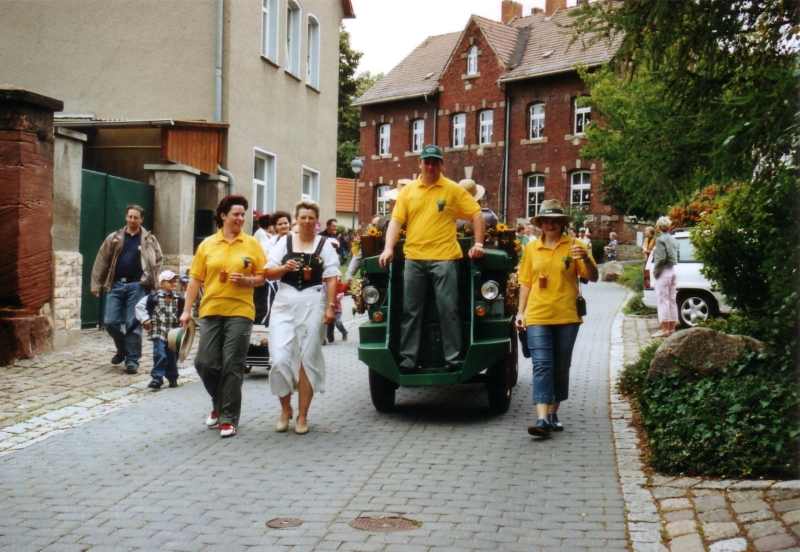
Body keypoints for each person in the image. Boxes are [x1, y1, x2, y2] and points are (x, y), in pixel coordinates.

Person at [379, 144, 485, 371]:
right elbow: (396, 222)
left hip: (445, 258)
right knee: (410, 310)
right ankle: (408, 360)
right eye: (426, 162)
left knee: (448, 309)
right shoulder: (408, 191)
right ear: (419, 163)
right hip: (414, 258)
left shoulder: (452, 189)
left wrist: (478, 244)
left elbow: (476, 214)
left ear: (441, 164)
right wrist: (388, 248)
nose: (430, 167)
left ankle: (453, 359)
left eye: (434, 162)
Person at [180, 195, 267, 438]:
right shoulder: (208, 244)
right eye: (236, 214)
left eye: (243, 214)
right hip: (210, 310)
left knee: (232, 363)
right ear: (223, 216)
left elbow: (262, 277)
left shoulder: (251, 244)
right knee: (204, 362)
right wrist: (186, 310)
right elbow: (195, 280)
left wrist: (247, 280)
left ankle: (228, 418)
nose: (240, 218)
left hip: (241, 310)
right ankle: (218, 403)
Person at [515, 199, 599, 438]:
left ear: (562, 224)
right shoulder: (531, 248)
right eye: (546, 221)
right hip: (537, 314)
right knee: (542, 364)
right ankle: (542, 418)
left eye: (555, 221)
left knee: (561, 366)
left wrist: (584, 258)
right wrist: (520, 313)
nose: (550, 225)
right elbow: (525, 282)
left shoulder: (575, 245)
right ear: (540, 223)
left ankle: (553, 412)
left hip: (566, 316)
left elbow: (593, 277)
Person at [264, 200, 339, 434]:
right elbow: (268, 273)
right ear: (296, 220)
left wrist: (330, 307)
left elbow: (332, 277)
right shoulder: (284, 242)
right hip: (285, 301)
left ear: (316, 221)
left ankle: (302, 415)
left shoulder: (324, 245)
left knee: (307, 357)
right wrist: (284, 268)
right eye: (303, 217)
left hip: (312, 300)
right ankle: (285, 408)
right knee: (279, 358)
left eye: (311, 218)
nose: (307, 222)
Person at [91, 205, 163, 374]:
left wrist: (150, 279)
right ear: (126, 217)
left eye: (136, 217)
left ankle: (132, 360)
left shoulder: (149, 239)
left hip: (136, 286)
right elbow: (102, 260)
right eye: (130, 217)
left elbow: (159, 260)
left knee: (133, 324)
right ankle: (123, 348)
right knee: (110, 322)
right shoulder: (115, 238)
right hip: (116, 284)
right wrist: (95, 284)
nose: (132, 220)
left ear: (141, 219)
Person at [135, 270, 185, 389]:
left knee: (172, 355)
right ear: (161, 284)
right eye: (169, 281)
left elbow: (183, 313)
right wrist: (145, 319)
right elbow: (139, 307)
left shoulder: (179, 299)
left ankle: (172, 377)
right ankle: (157, 379)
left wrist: (184, 324)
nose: (173, 283)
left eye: (174, 281)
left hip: (173, 332)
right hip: (158, 331)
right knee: (160, 354)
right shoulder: (153, 298)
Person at [652, 217, 679, 338]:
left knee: (663, 300)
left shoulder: (660, 239)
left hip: (663, 272)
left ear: (658, 227)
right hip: (672, 270)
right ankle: (672, 328)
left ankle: (664, 329)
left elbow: (661, 258)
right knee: (672, 300)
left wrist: (656, 272)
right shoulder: (674, 240)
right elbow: (677, 255)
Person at [343, 213, 384, 289]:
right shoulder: (366, 240)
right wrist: (349, 276)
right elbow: (357, 258)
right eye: (374, 225)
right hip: (370, 276)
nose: (376, 227)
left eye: (378, 224)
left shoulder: (391, 238)